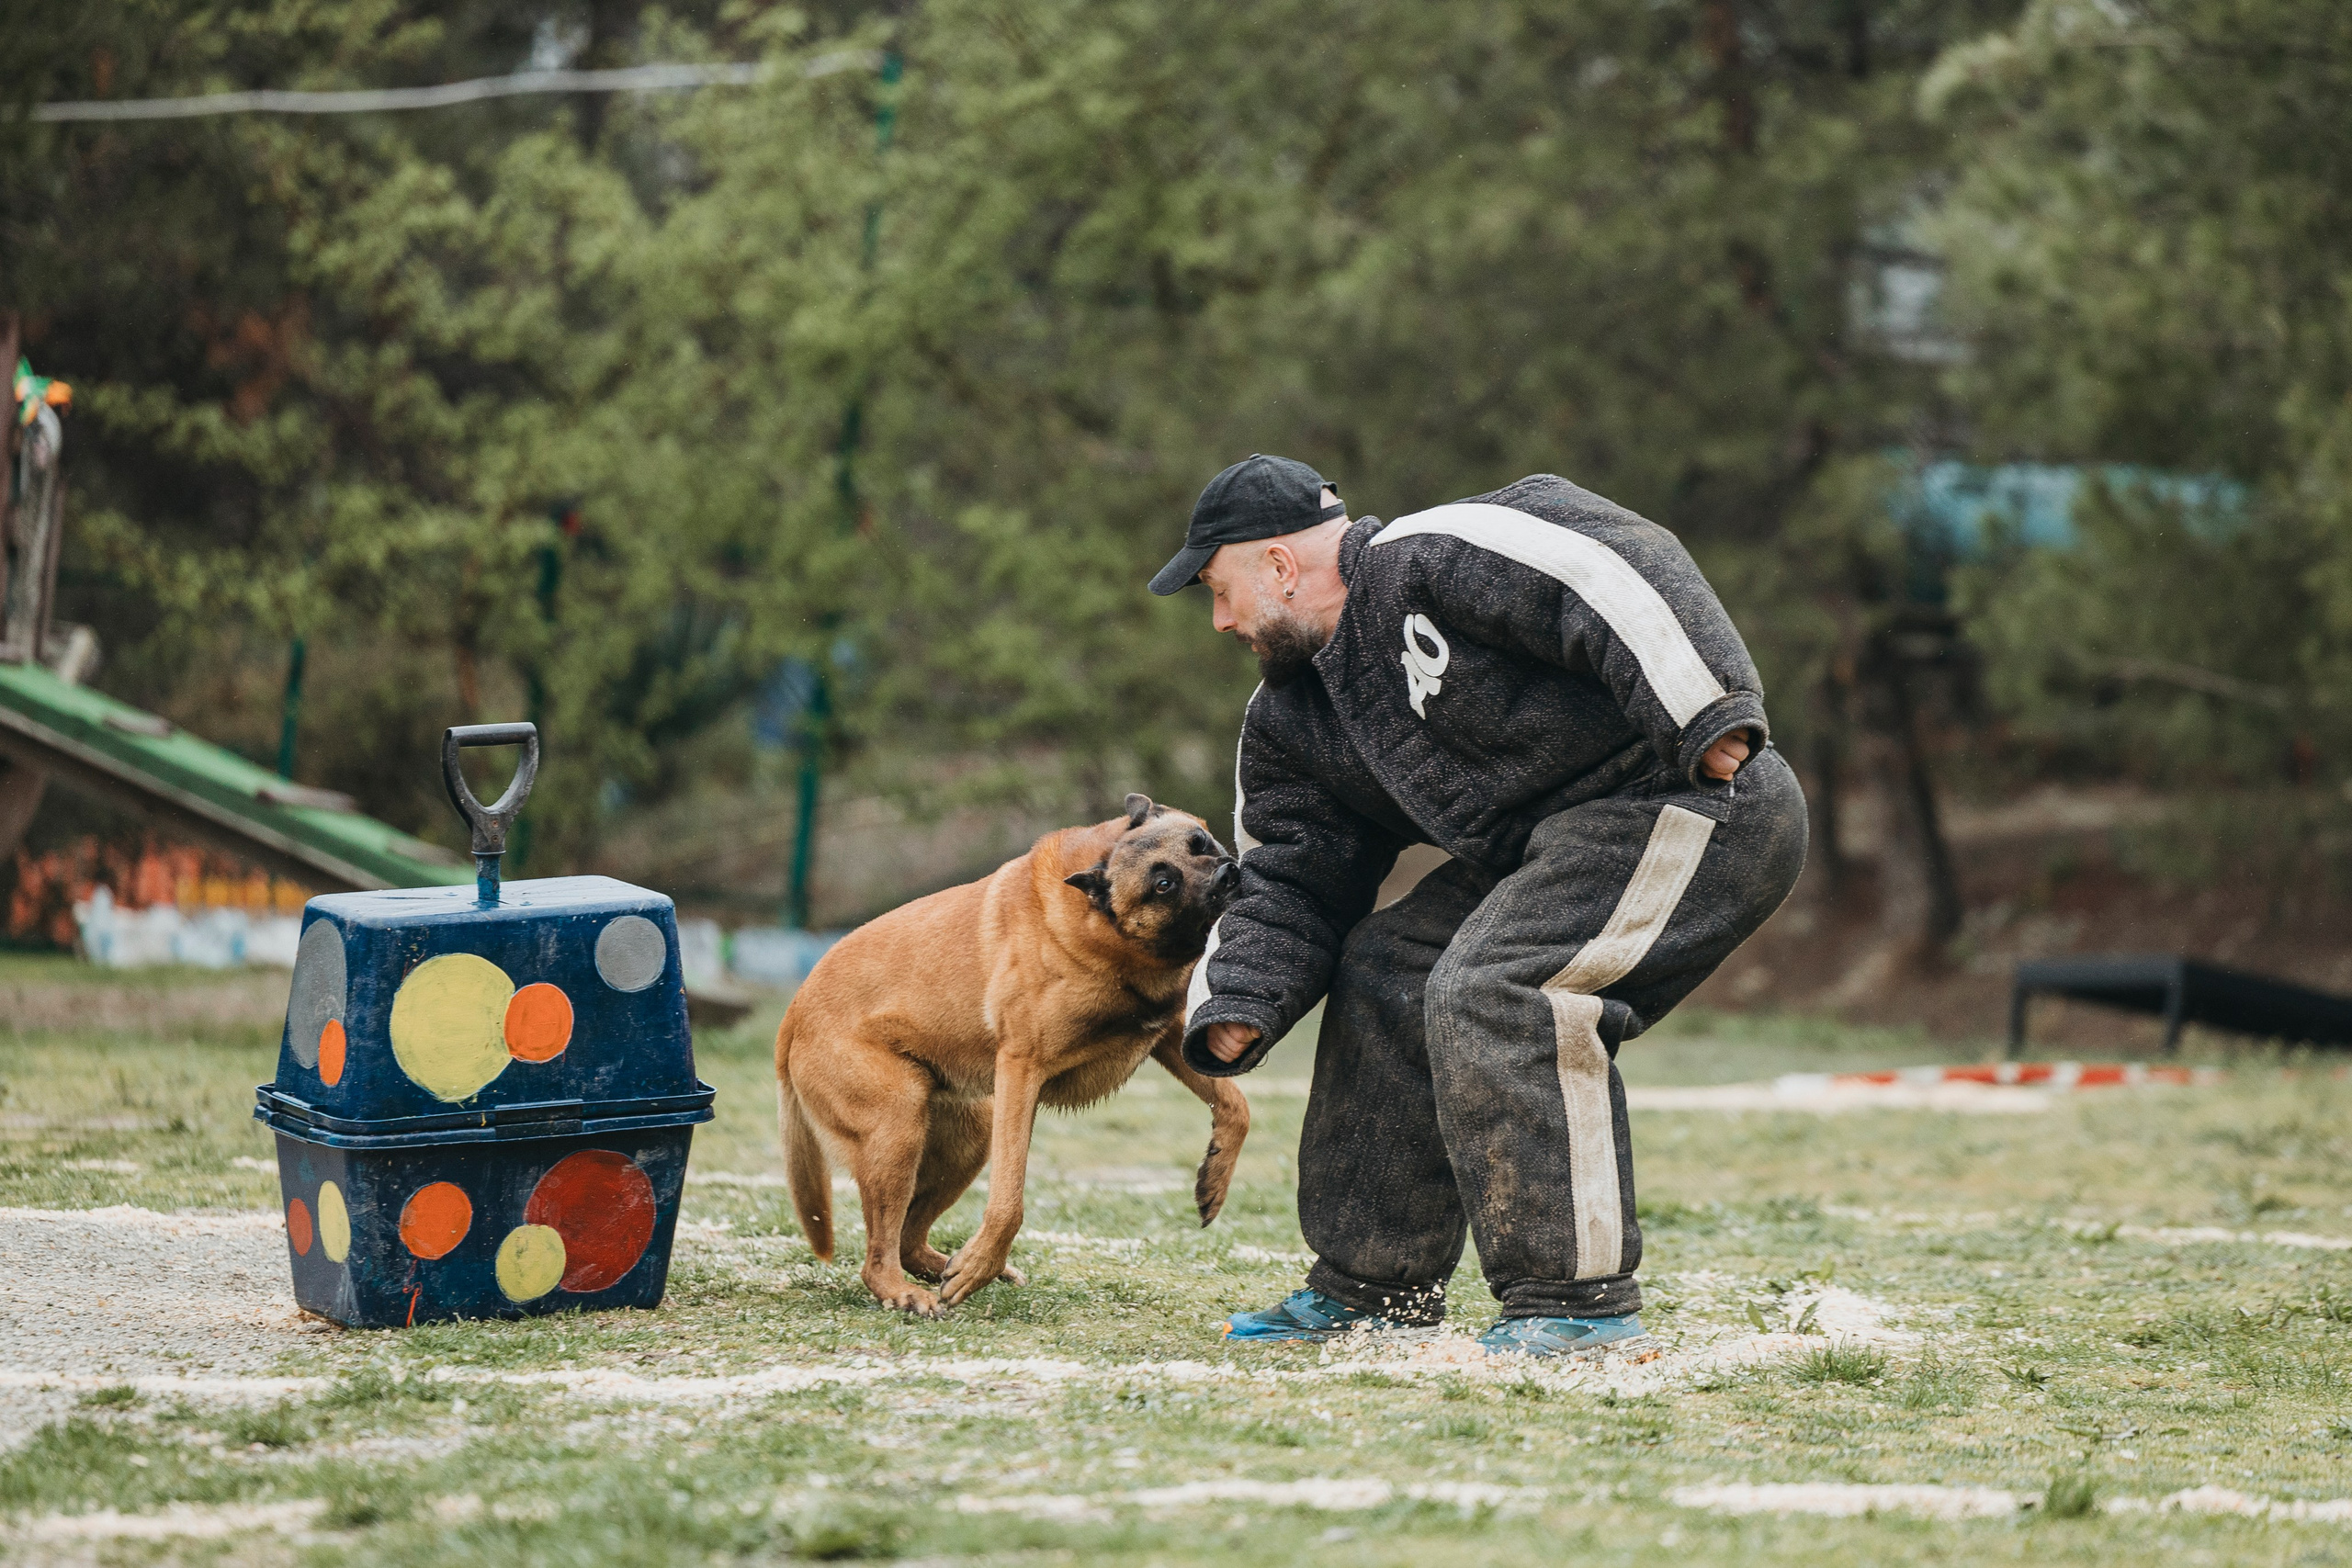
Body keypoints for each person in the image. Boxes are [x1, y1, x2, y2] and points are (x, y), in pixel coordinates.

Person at [1151, 455, 1807, 1359]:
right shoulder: (1289, 720)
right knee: (1390, 973)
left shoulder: (1433, 554)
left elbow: (1615, 564)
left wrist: (1709, 707)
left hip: (1690, 795)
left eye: (1218, 590)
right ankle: (1372, 1290)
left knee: (1500, 987)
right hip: (1554, 846)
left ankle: (1573, 1310)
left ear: (1276, 565)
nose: (1220, 620)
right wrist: (1238, 1001)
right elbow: (1290, 878)